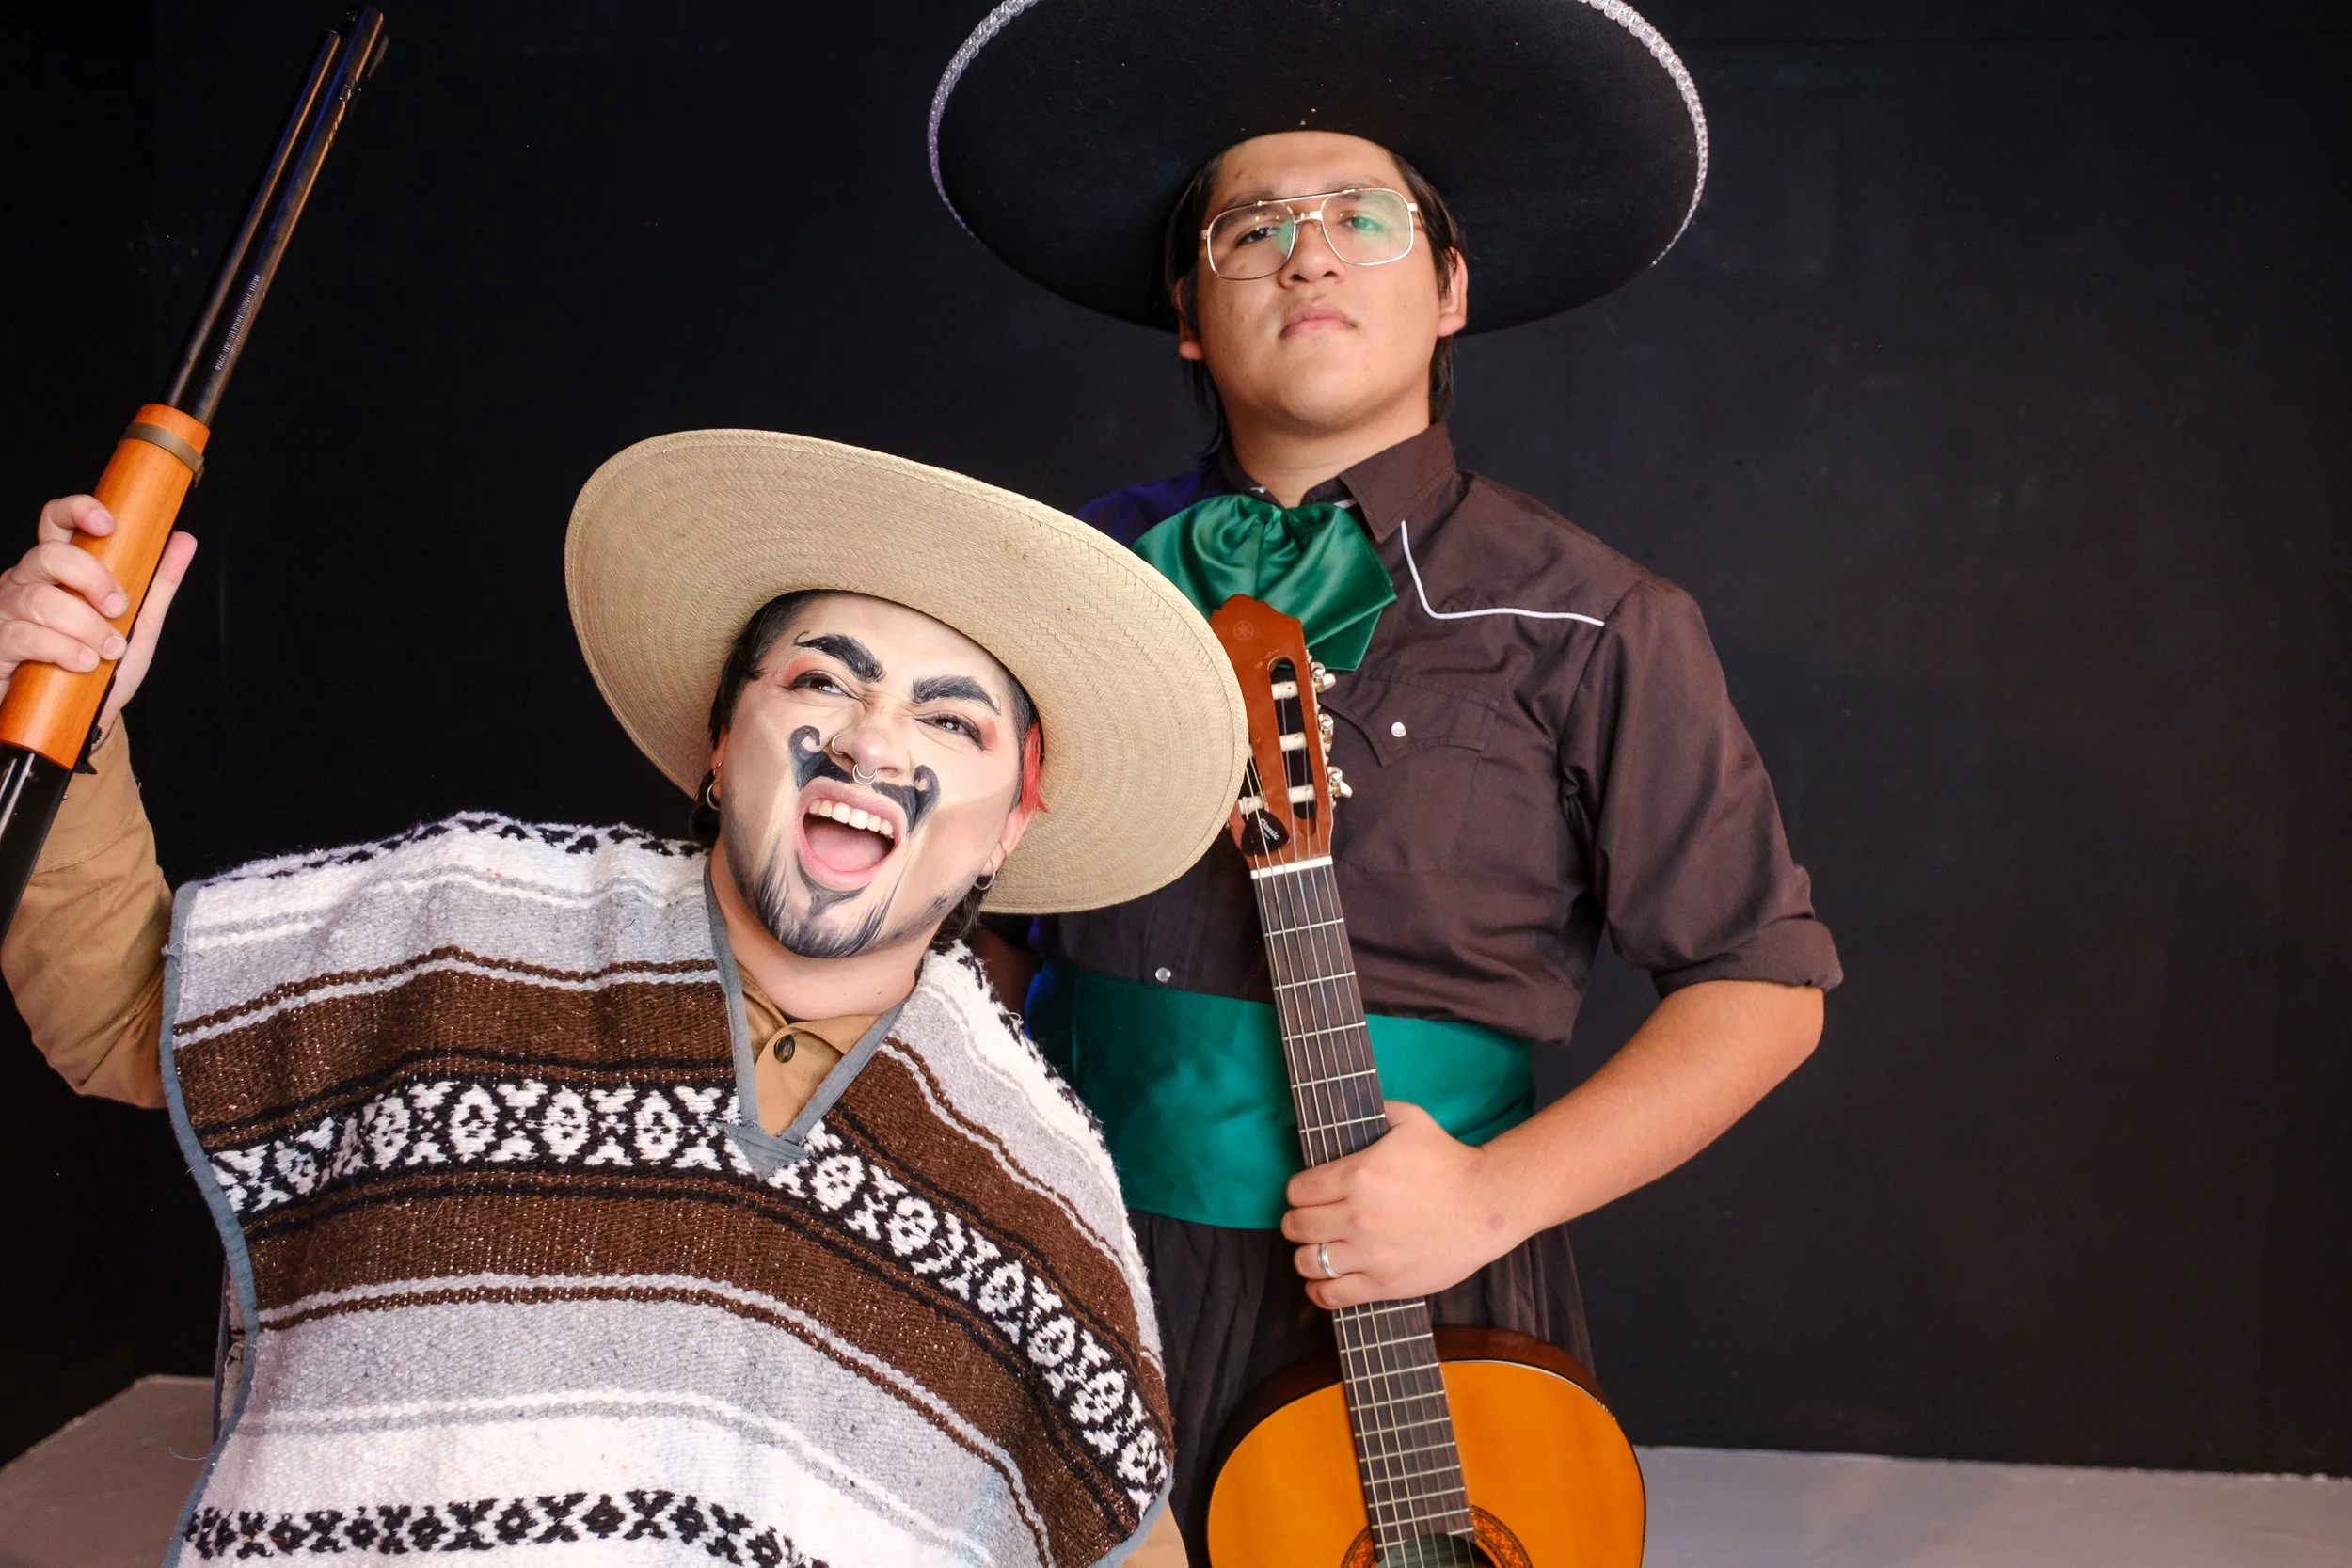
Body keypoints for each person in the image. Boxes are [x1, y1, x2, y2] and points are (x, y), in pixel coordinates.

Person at [0, 430, 1249, 1567]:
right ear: (722, 736)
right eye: (823, 681)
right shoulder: (458, 925)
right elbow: (116, 1003)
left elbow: (1118, 1530)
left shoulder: (1034, 1174)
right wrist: (67, 719)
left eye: (952, 721)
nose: (875, 741)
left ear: (1008, 827)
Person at [931, 1, 1844, 1553]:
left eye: (1365, 215)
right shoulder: (1057, 582)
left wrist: (1493, 1201)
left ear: (1451, 288)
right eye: (1254, 226)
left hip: (1434, 1275)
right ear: (1186, 308)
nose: (1311, 252)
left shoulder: (1598, 617)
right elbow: (964, 921)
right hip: (1084, 1250)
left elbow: (1762, 985)